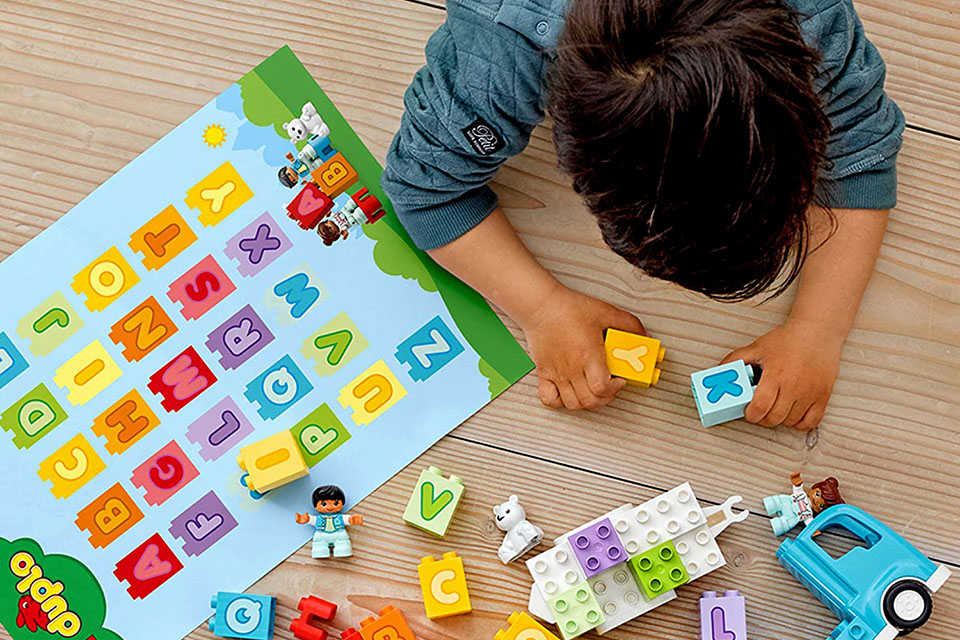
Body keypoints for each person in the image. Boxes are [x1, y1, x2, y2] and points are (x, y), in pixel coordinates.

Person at [380, 0, 904, 429]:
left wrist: (819, 329)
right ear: (571, 156)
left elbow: (860, 153)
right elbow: (424, 190)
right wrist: (539, 307)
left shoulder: (811, 20)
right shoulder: (496, 59)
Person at [764, 473, 844, 536]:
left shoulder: (809, 515)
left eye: (821, 506)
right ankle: (770, 505)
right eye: (817, 494)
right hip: (786, 502)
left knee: (783, 524)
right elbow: (797, 489)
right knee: (777, 502)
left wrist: (813, 530)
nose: (816, 501)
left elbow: (810, 523)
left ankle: (776, 525)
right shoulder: (802, 495)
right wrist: (797, 483)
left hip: (792, 518)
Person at [295, 485, 363, 558]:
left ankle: (343, 549)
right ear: (315, 505)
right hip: (322, 536)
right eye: (324, 504)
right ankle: (319, 551)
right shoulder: (318, 518)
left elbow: (346, 519)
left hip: (339, 534)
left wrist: (352, 520)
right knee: (319, 544)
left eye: (335, 503)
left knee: (343, 543)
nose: (330, 507)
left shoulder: (340, 517)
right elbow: (312, 520)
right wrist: (306, 519)